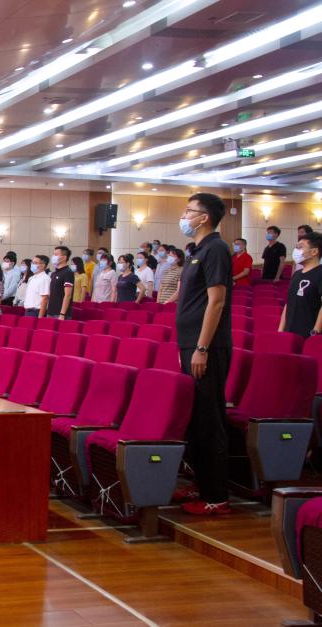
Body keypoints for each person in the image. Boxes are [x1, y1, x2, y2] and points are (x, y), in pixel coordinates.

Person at [174, 192, 232, 515]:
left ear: (204, 217)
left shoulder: (216, 249)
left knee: (209, 420)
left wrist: (201, 347)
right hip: (189, 346)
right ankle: (201, 483)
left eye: (189, 211)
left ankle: (217, 496)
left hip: (206, 347)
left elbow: (216, 301)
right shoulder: (196, 250)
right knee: (195, 420)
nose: (184, 216)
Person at [280, 232, 322, 338]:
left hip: (309, 334)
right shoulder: (297, 274)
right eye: (296, 247)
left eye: (300, 247)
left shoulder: (320, 273)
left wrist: (315, 332)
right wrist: (280, 330)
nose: (296, 250)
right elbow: (288, 303)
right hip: (290, 332)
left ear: (314, 251)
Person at [47, 246, 75, 320]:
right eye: (53, 254)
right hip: (50, 311)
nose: (53, 256)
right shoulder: (54, 273)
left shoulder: (68, 272)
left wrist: (62, 314)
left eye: (56, 254)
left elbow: (68, 295)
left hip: (60, 313)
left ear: (64, 257)